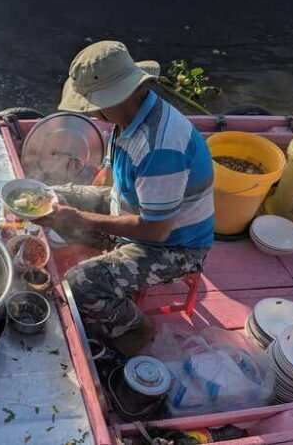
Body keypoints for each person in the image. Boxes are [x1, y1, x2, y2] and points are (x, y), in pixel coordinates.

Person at [35, 41, 214, 355]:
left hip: (174, 245)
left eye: (91, 103)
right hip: (129, 206)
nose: (89, 110)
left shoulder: (161, 148)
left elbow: (156, 231)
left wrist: (78, 219)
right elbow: (119, 172)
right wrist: (80, 204)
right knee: (51, 197)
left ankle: (136, 328)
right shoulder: (129, 114)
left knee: (80, 283)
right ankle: (108, 257)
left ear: (115, 97)